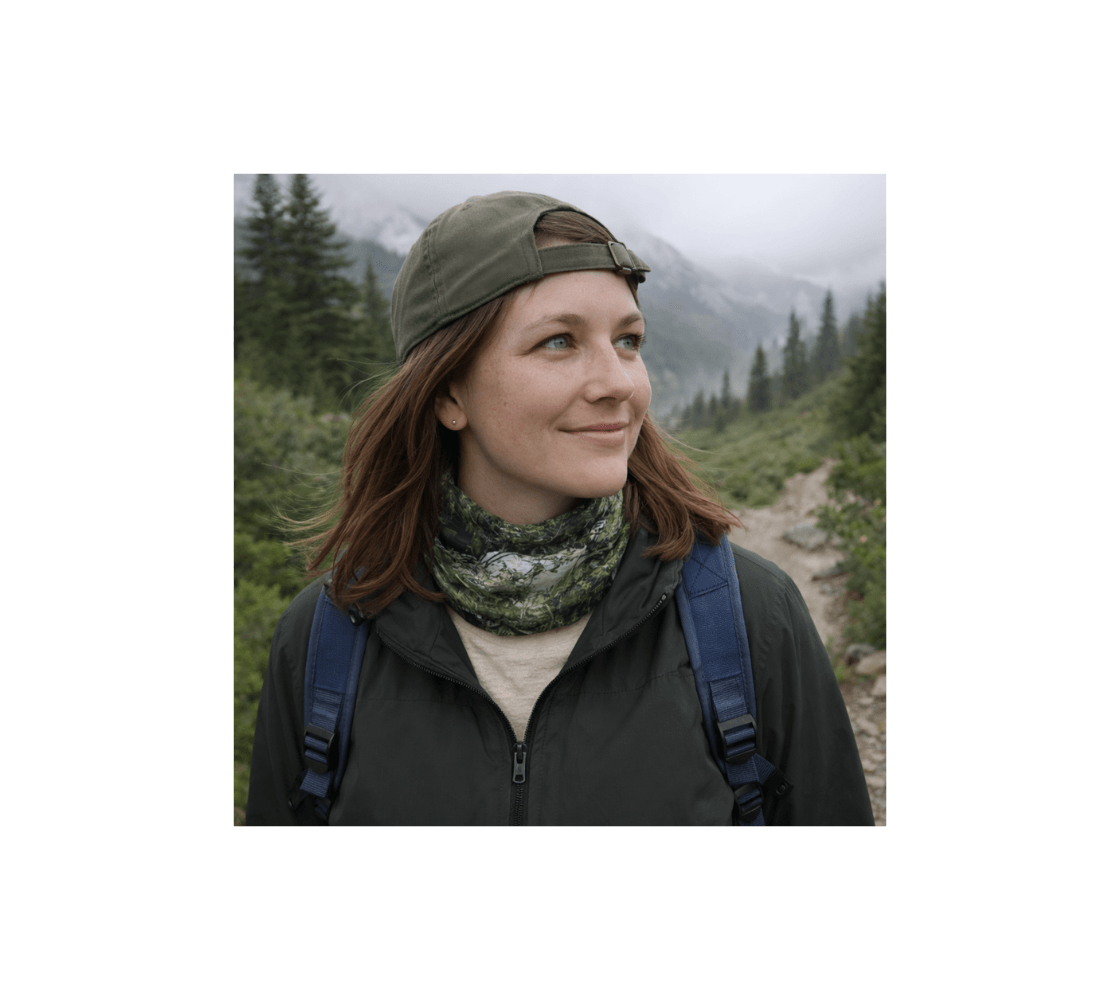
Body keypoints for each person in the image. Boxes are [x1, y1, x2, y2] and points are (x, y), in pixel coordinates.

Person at [245, 191, 874, 826]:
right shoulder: (325, 640)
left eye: (628, 340)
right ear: (446, 393)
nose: (619, 383)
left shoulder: (751, 619)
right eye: (558, 342)